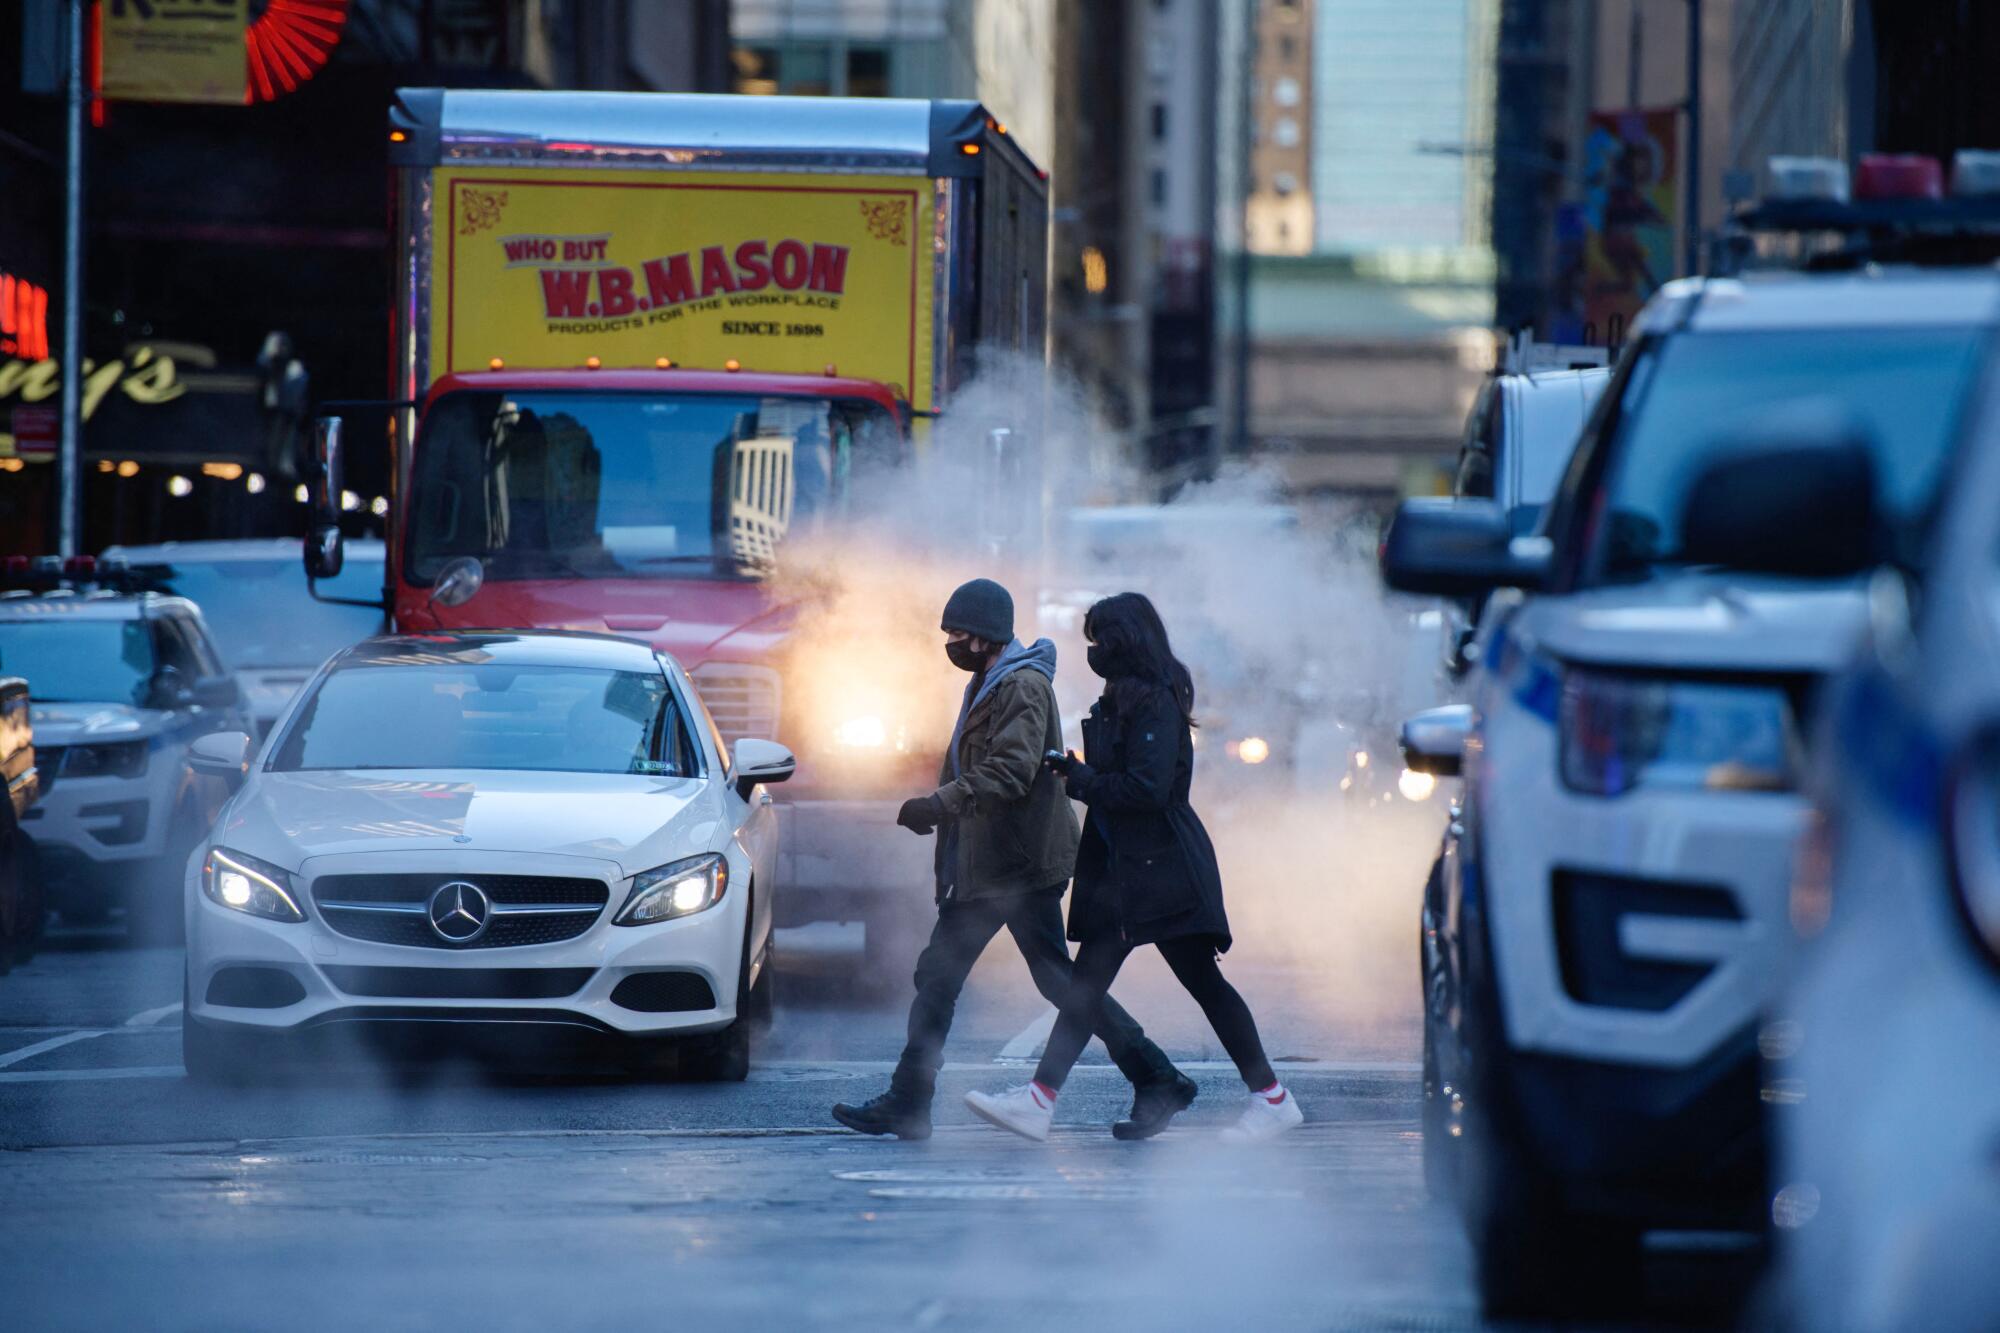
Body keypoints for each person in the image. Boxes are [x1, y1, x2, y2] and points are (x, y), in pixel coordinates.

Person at [832, 578, 1195, 1141]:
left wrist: (939, 803)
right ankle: (1154, 1076)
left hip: (1015, 865)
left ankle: (912, 1100)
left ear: (983, 636)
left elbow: (1011, 770)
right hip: (990, 863)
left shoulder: (1020, 686)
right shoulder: (989, 680)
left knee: (999, 980)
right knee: (966, 978)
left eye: (958, 632)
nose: (950, 642)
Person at [963, 591, 1304, 1144]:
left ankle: (1272, 1098)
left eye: (1098, 640)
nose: (1093, 651)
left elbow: (1147, 787)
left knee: (1193, 985)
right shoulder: (1128, 696)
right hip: (1131, 868)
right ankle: (1039, 1100)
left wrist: (1081, 780)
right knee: (1093, 987)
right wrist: (1077, 771)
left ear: (1124, 640)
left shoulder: (1155, 700)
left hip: (1159, 867)